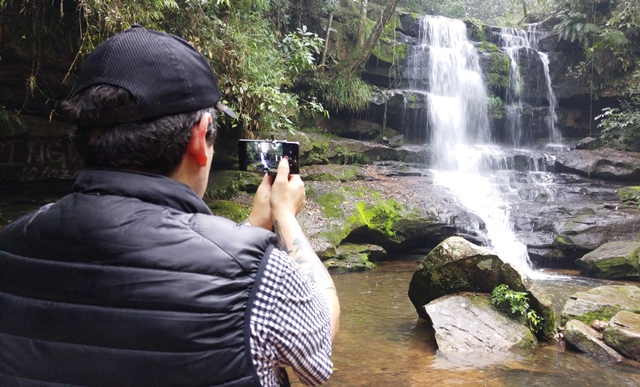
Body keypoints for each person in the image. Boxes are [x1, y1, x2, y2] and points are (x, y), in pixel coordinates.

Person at [0, 25, 339, 386]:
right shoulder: (258, 274)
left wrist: (254, 226)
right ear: (199, 136)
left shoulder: (12, 245)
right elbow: (316, 350)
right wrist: (285, 216)